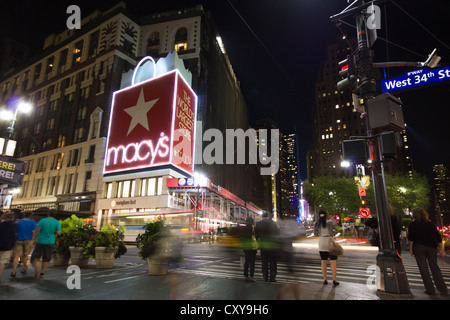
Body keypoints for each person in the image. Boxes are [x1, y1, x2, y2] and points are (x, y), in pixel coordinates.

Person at [408, 207, 448, 295]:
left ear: (414, 215)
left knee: (424, 269)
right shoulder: (430, 224)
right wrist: (441, 249)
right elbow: (438, 238)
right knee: (434, 267)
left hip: (418, 247)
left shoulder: (413, 224)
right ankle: (442, 289)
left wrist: (411, 249)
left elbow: (411, 239)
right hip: (431, 247)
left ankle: (430, 289)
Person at [33, 209, 61, 280]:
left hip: (40, 241)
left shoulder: (42, 220)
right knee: (46, 258)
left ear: (48, 214)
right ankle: (42, 273)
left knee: (37, 257)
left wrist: (34, 237)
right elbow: (58, 233)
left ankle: (37, 269)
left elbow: (37, 230)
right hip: (50, 242)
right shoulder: (57, 222)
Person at [314, 209, 339, 286]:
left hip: (322, 243)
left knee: (323, 262)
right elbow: (335, 223)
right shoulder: (330, 222)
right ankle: (334, 280)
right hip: (330, 242)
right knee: (333, 262)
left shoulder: (316, 224)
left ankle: (325, 279)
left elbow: (315, 233)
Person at [255, 212, 280, 282]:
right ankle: (272, 277)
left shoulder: (258, 224)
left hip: (263, 245)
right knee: (273, 262)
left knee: (264, 261)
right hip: (272, 245)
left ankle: (265, 277)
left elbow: (256, 236)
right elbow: (278, 234)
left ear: (262, 217)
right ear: (268, 217)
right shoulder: (273, 223)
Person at [11, 211, 37, 277]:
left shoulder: (18, 221)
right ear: (30, 215)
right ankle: (23, 268)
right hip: (28, 240)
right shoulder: (33, 222)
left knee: (16, 256)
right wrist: (33, 239)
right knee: (25, 255)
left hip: (19, 239)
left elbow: (16, 232)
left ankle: (14, 271)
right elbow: (33, 232)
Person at [239, 217, 257, 282]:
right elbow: (256, 238)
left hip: (246, 247)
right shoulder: (253, 229)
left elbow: (241, 238)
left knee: (247, 262)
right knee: (252, 263)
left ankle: (246, 276)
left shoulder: (243, 229)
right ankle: (251, 277)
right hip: (252, 247)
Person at [0, 212, 16, 282]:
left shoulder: (0, 225)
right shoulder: (13, 226)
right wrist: (12, 246)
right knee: (2, 263)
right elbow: (13, 237)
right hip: (7, 246)